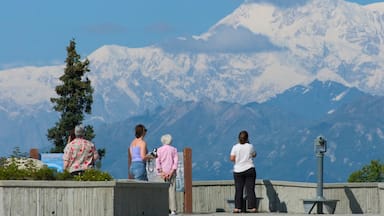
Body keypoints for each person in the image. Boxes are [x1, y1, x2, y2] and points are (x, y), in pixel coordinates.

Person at [229, 130, 257, 213]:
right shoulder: (250, 146)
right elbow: (254, 155)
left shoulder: (235, 147)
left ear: (239, 138)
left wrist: (238, 161)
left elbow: (232, 158)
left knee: (238, 189)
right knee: (250, 189)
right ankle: (252, 207)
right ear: (247, 138)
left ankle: (237, 208)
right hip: (249, 169)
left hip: (238, 170)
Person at [155, 134, 178, 215]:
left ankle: (162, 208)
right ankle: (173, 210)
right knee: (172, 191)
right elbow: (175, 162)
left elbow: (157, 162)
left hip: (162, 174)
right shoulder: (174, 149)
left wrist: (162, 172)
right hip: (171, 173)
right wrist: (171, 172)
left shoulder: (158, 150)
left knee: (162, 192)